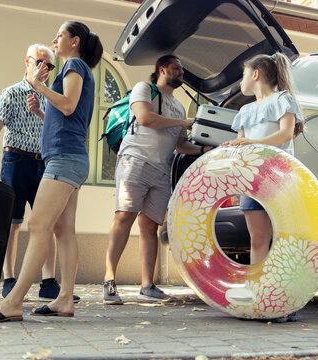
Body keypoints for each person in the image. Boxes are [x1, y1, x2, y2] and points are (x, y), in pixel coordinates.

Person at [0, 20, 103, 323]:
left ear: (75, 41)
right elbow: (68, 116)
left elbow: (68, 106)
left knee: (38, 226)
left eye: (60, 36)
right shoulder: (80, 69)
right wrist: (40, 110)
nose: (55, 40)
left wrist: (37, 85)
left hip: (63, 159)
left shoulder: (73, 65)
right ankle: (64, 299)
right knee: (63, 230)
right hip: (73, 157)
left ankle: (13, 301)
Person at [103, 55, 215, 305]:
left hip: (161, 169)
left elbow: (180, 144)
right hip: (135, 160)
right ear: (162, 70)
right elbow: (145, 118)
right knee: (124, 216)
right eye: (176, 68)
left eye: (182, 69)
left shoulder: (178, 106)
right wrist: (184, 122)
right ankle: (109, 281)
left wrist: (203, 150)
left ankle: (147, 286)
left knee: (150, 227)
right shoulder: (145, 89)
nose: (181, 72)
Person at [0, 44, 79, 303]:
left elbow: (56, 129)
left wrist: (39, 110)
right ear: (27, 61)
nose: (44, 68)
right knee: (12, 223)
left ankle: (48, 282)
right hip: (16, 160)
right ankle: (9, 279)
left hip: (45, 164)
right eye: (40, 62)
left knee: (50, 223)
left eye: (49, 64)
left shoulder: (52, 94)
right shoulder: (11, 93)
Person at [224, 52, 304, 266]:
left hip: (278, 177)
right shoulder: (245, 110)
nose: (241, 81)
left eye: (243, 75)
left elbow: (286, 133)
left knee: (284, 236)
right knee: (257, 238)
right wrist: (233, 146)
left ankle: (283, 285)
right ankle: (259, 289)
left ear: (256, 75)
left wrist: (253, 142)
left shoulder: (282, 99)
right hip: (252, 180)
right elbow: (242, 146)